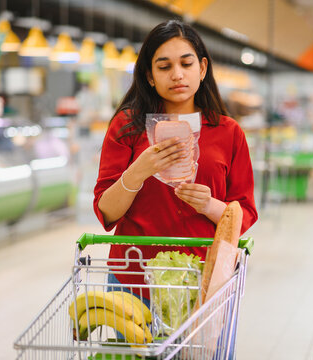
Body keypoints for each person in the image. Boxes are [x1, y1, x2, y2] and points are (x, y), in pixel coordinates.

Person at [93, 20, 258, 300]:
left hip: (205, 279)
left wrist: (209, 205)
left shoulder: (228, 132)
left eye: (186, 63)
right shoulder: (127, 126)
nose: (177, 74)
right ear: (149, 75)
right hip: (134, 278)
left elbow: (244, 213)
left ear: (202, 68)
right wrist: (138, 172)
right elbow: (106, 212)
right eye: (165, 66)